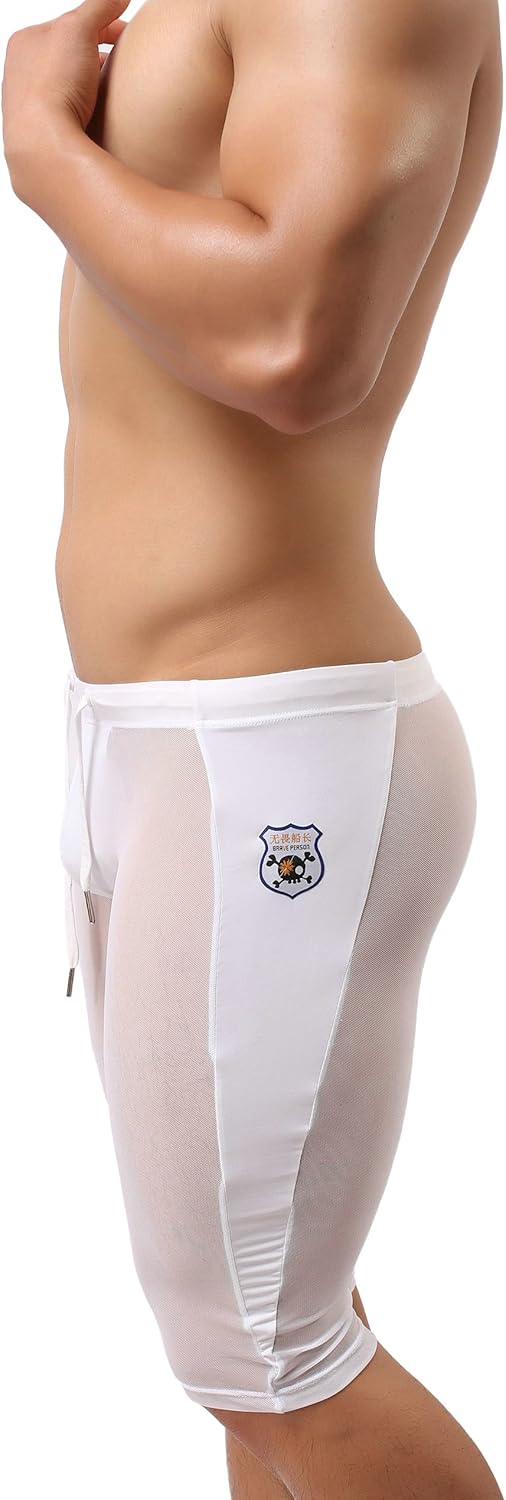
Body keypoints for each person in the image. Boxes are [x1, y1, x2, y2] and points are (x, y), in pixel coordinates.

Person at [2, 0, 504, 1494]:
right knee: (258, 1346)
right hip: (156, 738)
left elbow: (296, 345)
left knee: (269, 1356)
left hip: (275, 750)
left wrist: (42, 146)